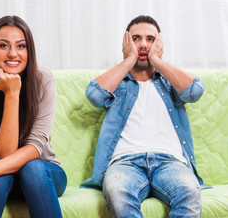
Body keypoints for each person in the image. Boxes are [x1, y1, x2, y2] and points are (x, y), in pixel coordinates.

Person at [81, 15, 205, 217]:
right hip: (125, 163)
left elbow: (195, 91)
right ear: (126, 43)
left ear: (160, 43)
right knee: (117, 192)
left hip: (170, 162)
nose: (143, 45)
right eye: (136, 39)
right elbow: (94, 95)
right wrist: (129, 60)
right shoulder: (118, 82)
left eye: (150, 39)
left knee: (190, 192)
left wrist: (156, 60)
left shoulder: (169, 81)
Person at [0, 16, 67, 218]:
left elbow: (36, 148)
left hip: (43, 174)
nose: (13, 53)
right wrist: (12, 94)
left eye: (21, 46)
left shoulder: (43, 81)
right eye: (3, 45)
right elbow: (4, 155)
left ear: (29, 51)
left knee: (32, 168)